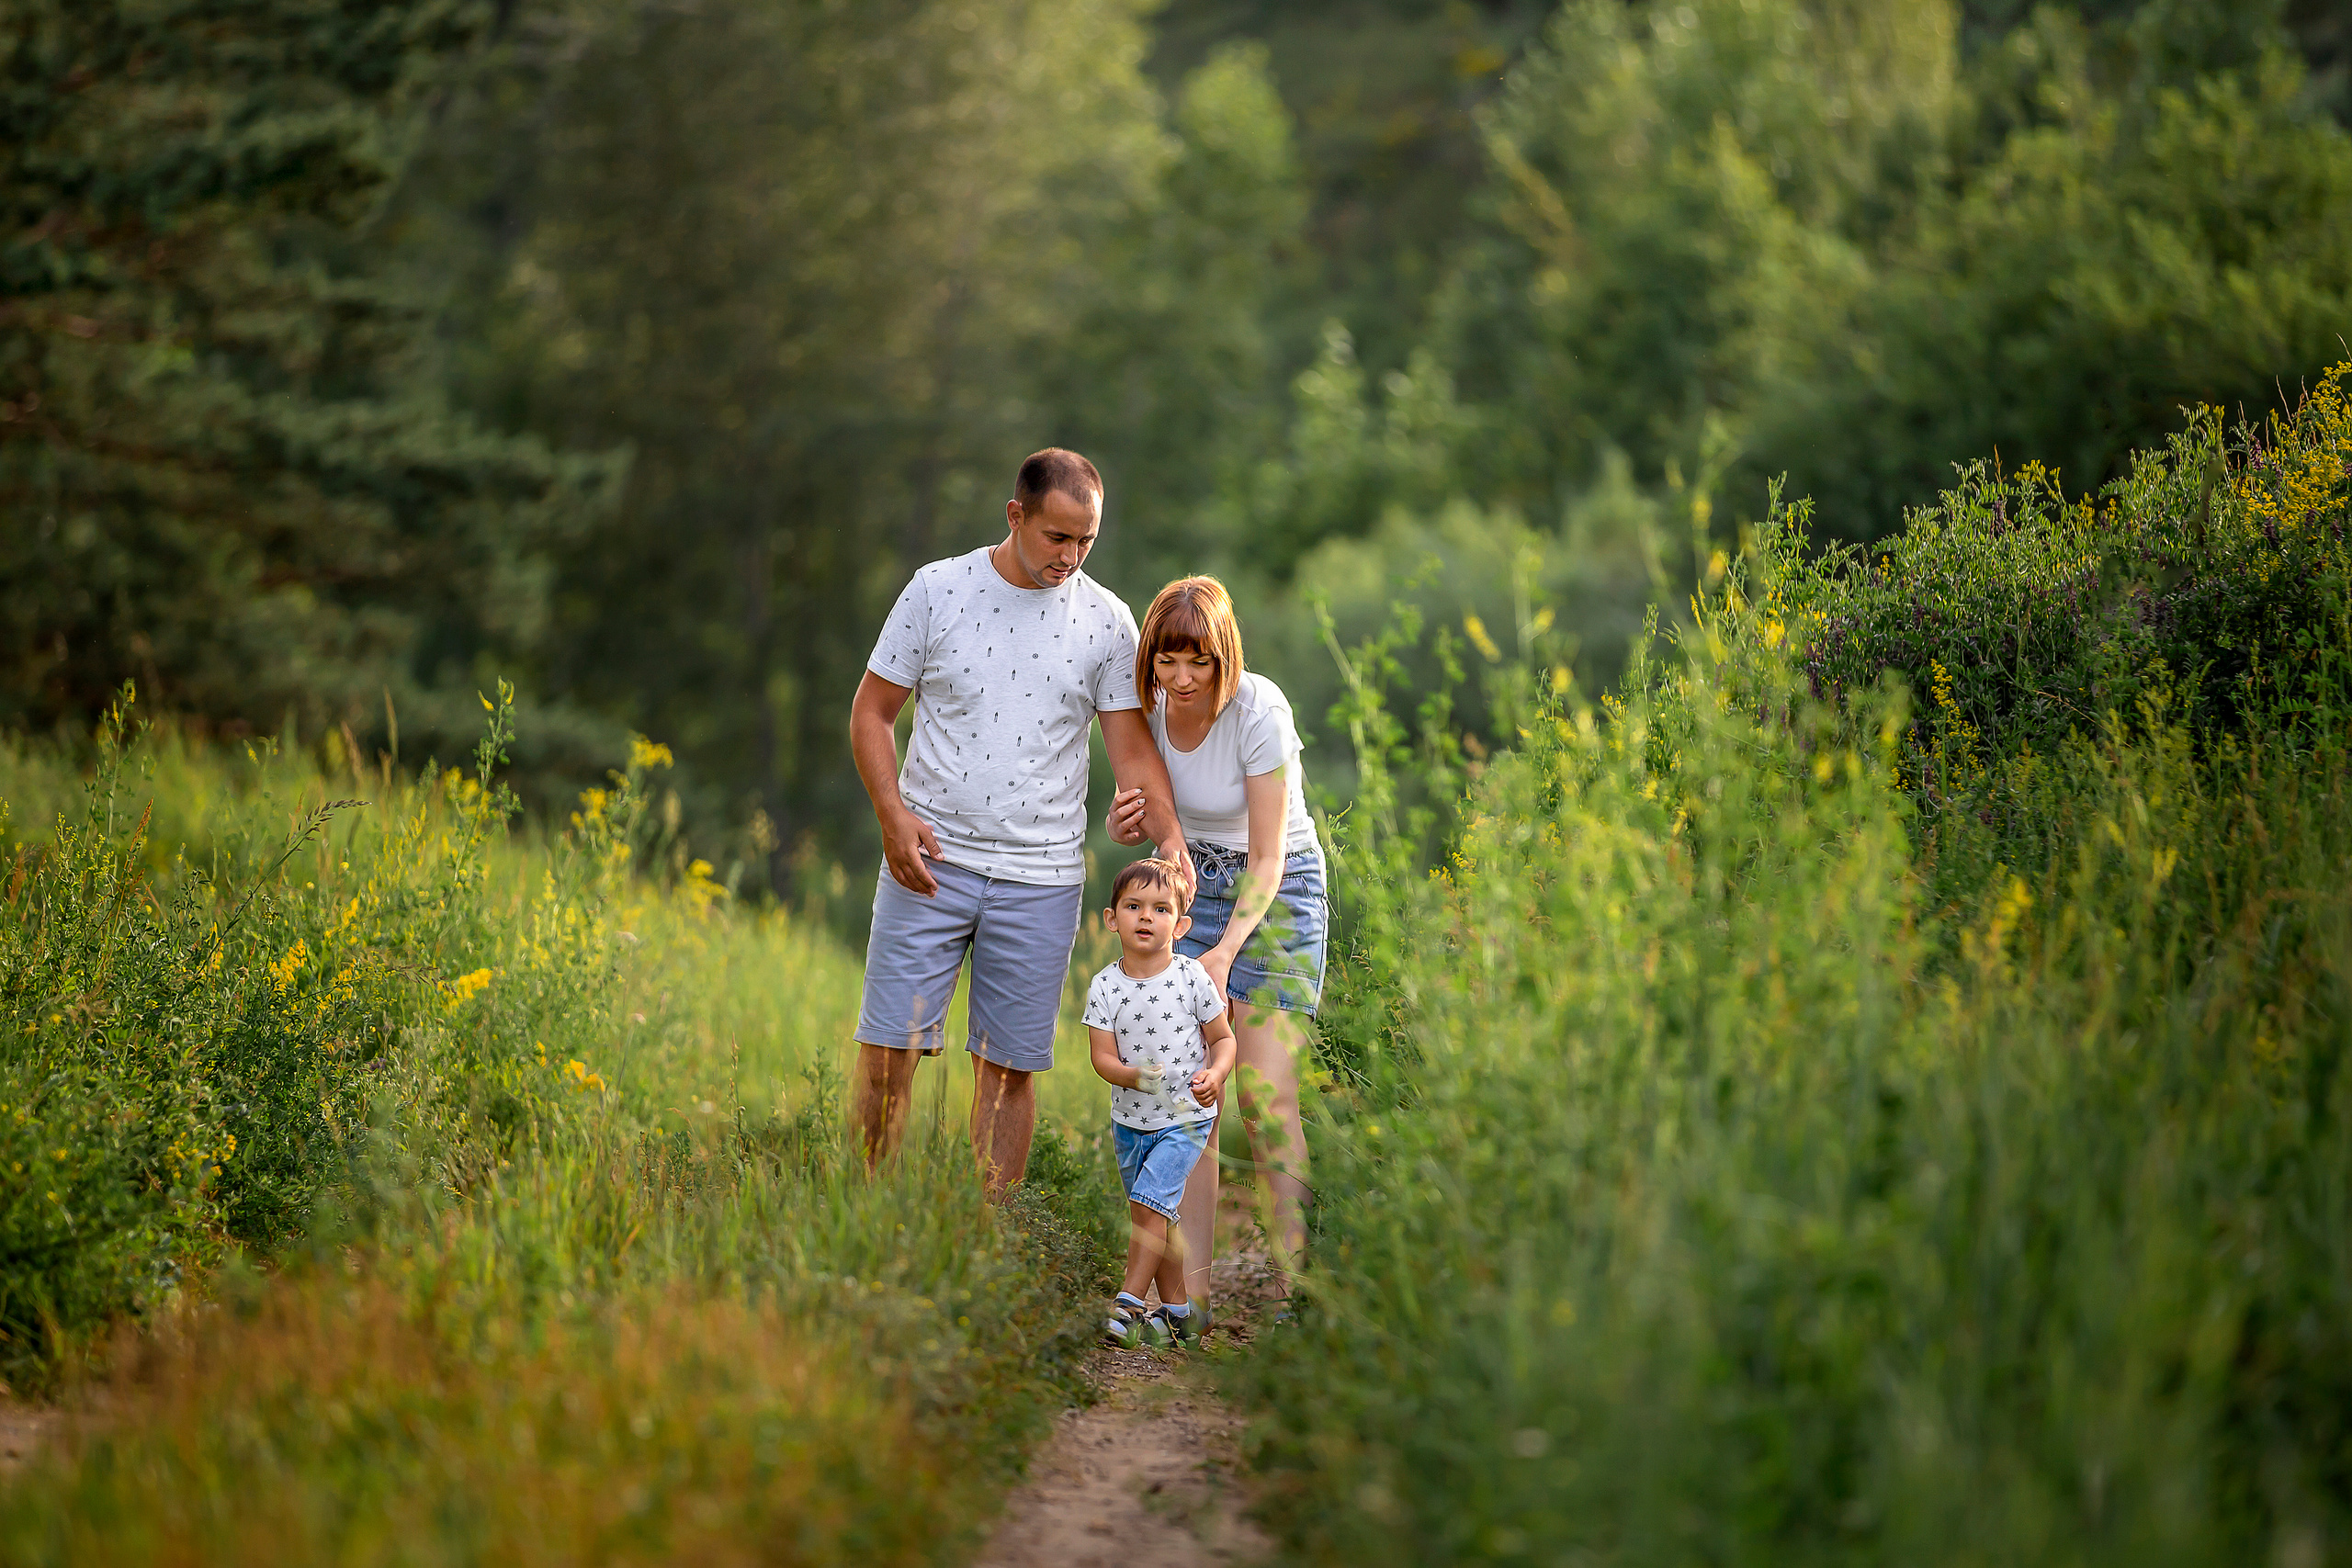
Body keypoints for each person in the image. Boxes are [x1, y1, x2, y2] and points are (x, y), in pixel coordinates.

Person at [848, 448, 1188, 1194]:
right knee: (887, 1053)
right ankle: (864, 1209)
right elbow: (871, 712)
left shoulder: (1107, 622)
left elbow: (1134, 753)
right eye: (1056, 536)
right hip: (928, 863)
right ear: (1016, 515)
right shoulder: (937, 590)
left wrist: (1169, 838)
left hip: (1042, 879)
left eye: (1086, 540)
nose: (1071, 555)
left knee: (1007, 1073)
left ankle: (990, 1232)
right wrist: (892, 816)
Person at [1108, 575, 1328, 1313]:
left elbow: (1267, 857)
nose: (1181, 679)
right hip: (1187, 884)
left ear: (1223, 655)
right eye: (1167, 661)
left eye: (1197, 662)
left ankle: (1293, 1291)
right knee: (1189, 1098)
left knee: (1265, 1095)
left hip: (1279, 889)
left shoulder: (1259, 711)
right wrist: (1123, 824)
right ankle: (1190, 1304)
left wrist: (1227, 951)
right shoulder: (1147, 706)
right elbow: (1150, 811)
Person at [1084, 856, 1235, 1349]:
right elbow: (1102, 1058)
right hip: (1130, 1120)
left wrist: (1216, 1074)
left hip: (1186, 1118)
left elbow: (1223, 1039)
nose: (1146, 917)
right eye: (1133, 907)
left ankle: (1128, 1303)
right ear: (1112, 919)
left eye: (1161, 908)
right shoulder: (1105, 986)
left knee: (1149, 1203)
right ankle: (1179, 1317)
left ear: (1180, 925)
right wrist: (1132, 1076)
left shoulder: (1192, 977)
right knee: (1155, 1213)